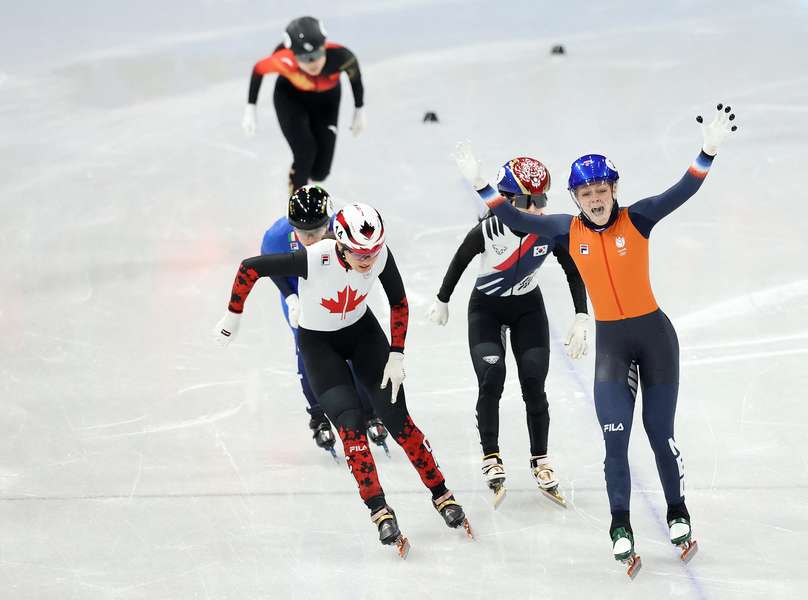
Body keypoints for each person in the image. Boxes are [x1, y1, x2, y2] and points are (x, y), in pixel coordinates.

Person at [453, 104, 738, 575]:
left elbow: (681, 191)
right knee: (615, 441)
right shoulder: (567, 229)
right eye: (585, 193)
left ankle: (677, 512)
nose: (595, 200)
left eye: (601, 191)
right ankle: (620, 525)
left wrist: (706, 152)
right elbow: (518, 220)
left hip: (655, 339)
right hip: (613, 347)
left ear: (613, 189)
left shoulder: (639, 218)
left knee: (659, 435)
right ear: (576, 197)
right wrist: (482, 185)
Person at [215, 202, 471, 556]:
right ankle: (379, 510)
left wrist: (397, 352)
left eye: (373, 253)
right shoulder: (314, 257)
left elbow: (398, 302)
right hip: (320, 346)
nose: (368, 260)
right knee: (350, 426)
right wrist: (233, 316)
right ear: (340, 244)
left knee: (399, 421)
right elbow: (250, 268)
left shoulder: (379, 254)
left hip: (363, 335)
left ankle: (442, 493)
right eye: (359, 254)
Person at [426, 156, 589, 508]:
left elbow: (573, 272)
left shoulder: (550, 231)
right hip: (486, 309)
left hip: (528, 309)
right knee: (492, 374)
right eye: (535, 200)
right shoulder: (487, 230)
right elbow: (459, 262)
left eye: (544, 198)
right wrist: (442, 299)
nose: (541, 207)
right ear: (512, 200)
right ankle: (491, 455)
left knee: (534, 381)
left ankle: (541, 459)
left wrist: (581, 316)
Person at [260, 185, 388, 459]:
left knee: (353, 351)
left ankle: (369, 411)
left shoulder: (343, 229)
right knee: (308, 356)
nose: (309, 238)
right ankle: (318, 415)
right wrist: (290, 296)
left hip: (335, 289)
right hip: (301, 297)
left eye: (315, 231)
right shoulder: (275, 237)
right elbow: (270, 269)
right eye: (302, 232)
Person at [242, 16, 366, 194]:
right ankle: (297, 205)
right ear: (293, 55)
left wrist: (359, 109)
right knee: (305, 152)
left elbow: (355, 79)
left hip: (326, 101)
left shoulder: (342, 57)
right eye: (305, 57)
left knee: (321, 171)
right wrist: (250, 108)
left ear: (324, 47)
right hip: (291, 98)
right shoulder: (283, 60)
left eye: (316, 55)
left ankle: (306, 183)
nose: (312, 63)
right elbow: (258, 70)